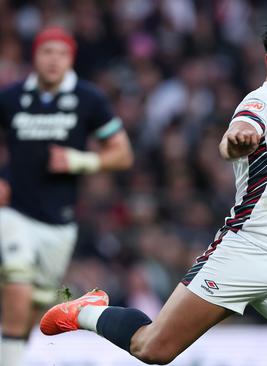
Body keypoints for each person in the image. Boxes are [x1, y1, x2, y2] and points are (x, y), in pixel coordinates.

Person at [40, 9, 267, 366]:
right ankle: (89, 311)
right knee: (152, 348)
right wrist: (237, 140)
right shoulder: (260, 102)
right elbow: (236, 136)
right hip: (247, 254)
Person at [0, 26, 133, 366]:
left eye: (61, 53)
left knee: (35, 305)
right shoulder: (11, 97)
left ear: (71, 57)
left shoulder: (89, 99)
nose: (53, 60)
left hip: (59, 221)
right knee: (17, 285)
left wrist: (79, 160)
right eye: (47, 52)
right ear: (35, 57)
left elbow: (122, 154)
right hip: (14, 212)